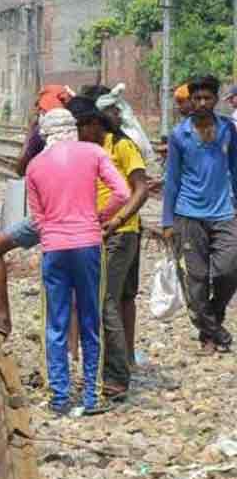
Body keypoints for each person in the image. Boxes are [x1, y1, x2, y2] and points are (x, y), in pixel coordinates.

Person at [26, 108, 130, 416]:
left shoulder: (35, 166)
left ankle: (59, 396)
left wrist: (53, 233)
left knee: (55, 322)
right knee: (90, 320)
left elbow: (38, 217)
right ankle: (92, 397)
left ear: (45, 134)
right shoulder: (93, 152)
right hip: (88, 244)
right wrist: (100, 216)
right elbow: (122, 193)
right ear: (73, 128)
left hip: (54, 248)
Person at [0, 85, 73, 337]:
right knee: (73, 290)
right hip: (82, 219)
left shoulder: (42, 133)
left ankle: (3, 317)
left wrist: (30, 134)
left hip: (48, 217)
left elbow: (21, 167)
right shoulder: (81, 133)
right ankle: (75, 352)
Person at [82, 94, 151, 402]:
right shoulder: (88, 150)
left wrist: (119, 218)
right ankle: (114, 365)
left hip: (121, 232)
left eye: (80, 126)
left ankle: (117, 376)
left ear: (95, 124)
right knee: (113, 299)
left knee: (106, 300)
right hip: (99, 233)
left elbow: (141, 189)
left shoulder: (121, 145)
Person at [162, 74, 237, 354]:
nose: (202, 102)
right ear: (191, 101)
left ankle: (213, 321)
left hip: (224, 212)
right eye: (197, 98)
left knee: (228, 271)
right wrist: (168, 221)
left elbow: (235, 169)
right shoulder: (179, 134)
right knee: (196, 280)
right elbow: (172, 179)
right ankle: (211, 334)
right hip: (188, 214)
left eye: (207, 98)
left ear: (216, 100)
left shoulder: (228, 129)